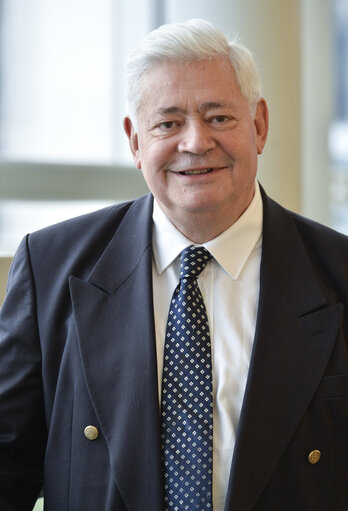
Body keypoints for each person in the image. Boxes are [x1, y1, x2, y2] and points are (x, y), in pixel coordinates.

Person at [1, 18, 348, 511]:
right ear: (135, 140)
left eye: (219, 117)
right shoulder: (51, 266)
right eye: (167, 123)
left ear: (260, 126)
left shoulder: (339, 273)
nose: (195, 142)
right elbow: (7, 462)